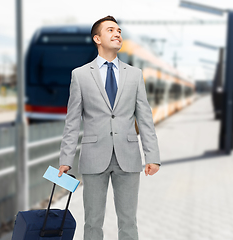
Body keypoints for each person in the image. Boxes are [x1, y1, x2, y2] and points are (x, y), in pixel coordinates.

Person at [58, 15, 161, 240]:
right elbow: (72, 120)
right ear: (97, 38)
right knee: (93, 222)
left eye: (119, 31)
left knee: (128, 222)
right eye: (110, 30)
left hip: (128, 156)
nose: (117, 34)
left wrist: (152, 155)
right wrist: (65, 159)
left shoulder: (135, 75)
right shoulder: (80, 74)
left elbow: (144, 117)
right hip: (94, 157)